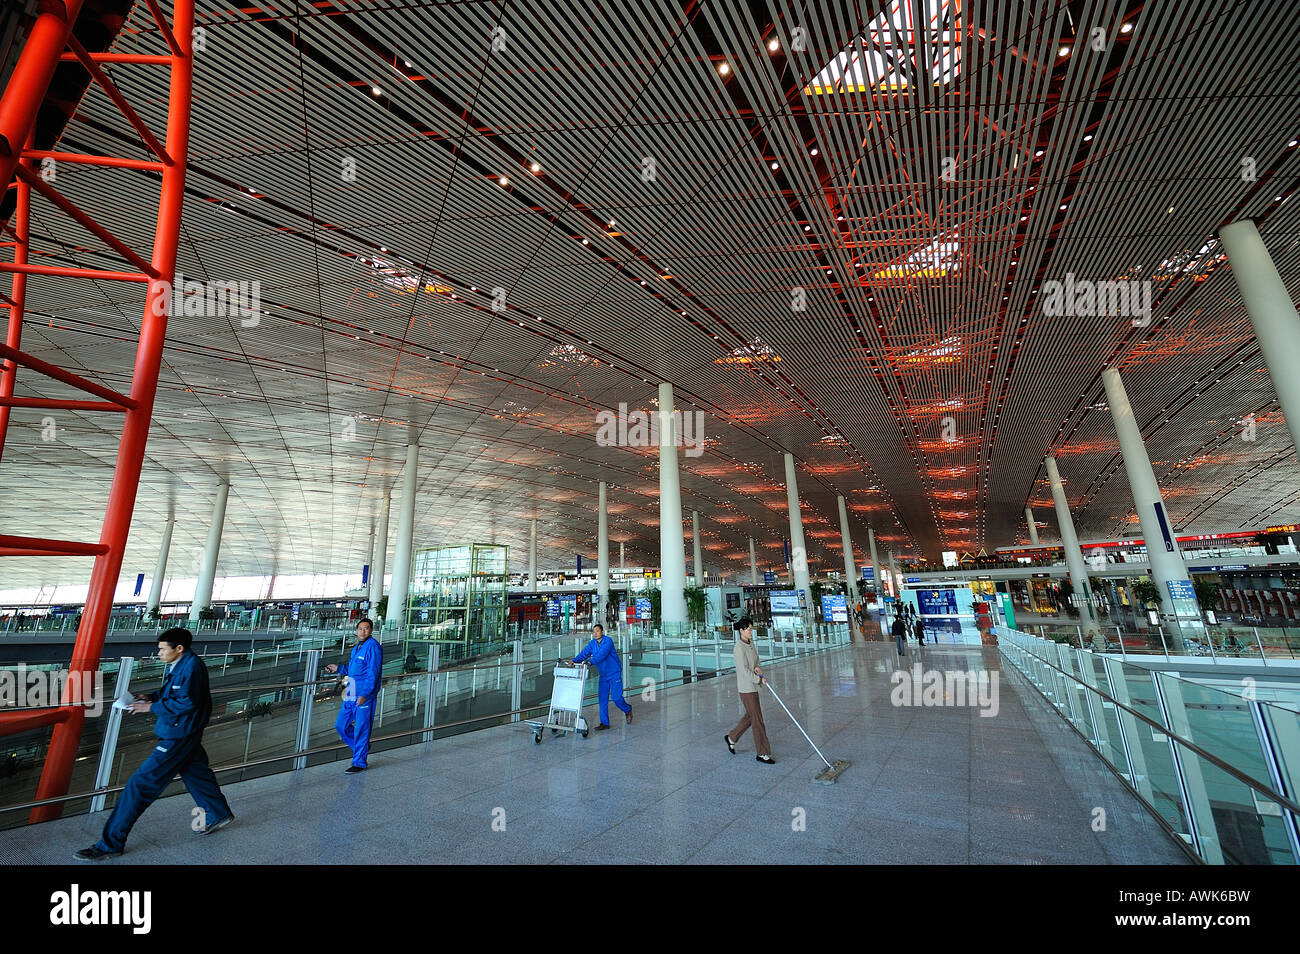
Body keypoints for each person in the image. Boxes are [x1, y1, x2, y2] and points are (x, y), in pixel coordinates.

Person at [75, 627, 233, 860]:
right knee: (197, 774)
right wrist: (151, 696)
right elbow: (175, 693)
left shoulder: (191, 667)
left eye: (162, 649)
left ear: (179, 648)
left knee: (140, 785)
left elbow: (187, 702)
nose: (158, 653)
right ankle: (218, 812)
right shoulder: (182, 663)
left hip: (178, 735)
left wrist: (150, 707)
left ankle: (110, 844)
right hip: (183, 732)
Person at [325, 617, 382, 773]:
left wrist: (365, 694)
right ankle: (362, 746)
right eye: (360, 628)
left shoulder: (373, 647)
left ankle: (359, 762)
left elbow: (373, 673)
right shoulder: (358, 646)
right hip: (351, 691)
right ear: (356, 631)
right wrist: (337, 668)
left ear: (371, 630)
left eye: (366, 628)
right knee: (340, 725)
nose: (363, 631)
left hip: (364, 694)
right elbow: (352, 668)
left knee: (362, 728)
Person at [725, 617, 773, 764]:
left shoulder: (750, 643)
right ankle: (762, 753)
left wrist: (758, 668)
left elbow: (755, 660)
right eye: (748, 629)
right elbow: (744, 670)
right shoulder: (738, 647)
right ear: (741, 630)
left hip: (753, 686)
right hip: (746, 688)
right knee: (758, 720)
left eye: (751, 629)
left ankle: (731, 737)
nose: (751, 632)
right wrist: (759, 679)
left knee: (751, 717)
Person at [572, 623, 630, 728]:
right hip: (603, 675)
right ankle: (605, 723)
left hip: (614, 673)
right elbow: (584, 653)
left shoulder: (608, 641)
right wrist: (574, 660)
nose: (595, 633)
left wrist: (590, 662)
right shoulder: (592, 643)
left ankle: (627, 709)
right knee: (602, 699)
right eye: (593, 632)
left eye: (597, 631)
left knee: (616, 698)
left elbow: (602, 654)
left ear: (602, 632)